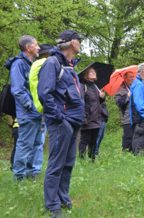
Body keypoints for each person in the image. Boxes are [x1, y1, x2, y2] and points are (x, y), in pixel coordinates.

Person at [38, 30, 84, 217]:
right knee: (56, 164)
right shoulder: (52, 63)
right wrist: (59, 118)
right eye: (79, 41)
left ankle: (63, 197)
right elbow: (44, 94)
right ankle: (52, 205)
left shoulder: (70, 66)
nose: (80, 44)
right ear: (73, 42)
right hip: (61, 122)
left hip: (73, 122)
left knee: (68, 163)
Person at [6, 35, 41, 181]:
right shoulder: (19, 64)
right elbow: (18, 90)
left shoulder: (31, 64)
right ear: (29, 47)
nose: (39, 47)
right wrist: (30, 106)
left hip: (36, 113)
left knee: (35, 144)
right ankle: (18, 177)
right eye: (36, 44)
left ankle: (30, 174)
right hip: (27, 113)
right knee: (25, 144)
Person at [29, 43, 53, 175]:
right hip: (43, 105)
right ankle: (35, 170)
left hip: (36, 105)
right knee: (38, 141)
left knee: (34, 141)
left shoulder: (35, 64)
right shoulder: (46, 64)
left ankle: (32, 169)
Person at [78, 67, 105, 161]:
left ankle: (92, 159)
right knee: (84, 140)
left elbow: (98, 103)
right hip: (87, 118)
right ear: (86, 74)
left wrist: (101, 97)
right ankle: (81, 159)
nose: (94, 73)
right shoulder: (83, 86)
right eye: (91, 72)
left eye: (94, 72)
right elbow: (81, 102)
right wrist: (83, 118)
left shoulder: (95, 86)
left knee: (94, 140)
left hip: (96, 117)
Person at [115, 72, 135, 153]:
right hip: (126, 117)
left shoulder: (133, 87)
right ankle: (126, 153)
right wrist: (127, 96)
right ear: (125, 78)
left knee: (134, 136)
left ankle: (134, 154)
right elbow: (119, 103)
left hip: (135, 116)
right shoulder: (120, 89)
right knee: (128, 137)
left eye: (133, 77)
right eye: (130, 77)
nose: (132, 78)